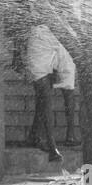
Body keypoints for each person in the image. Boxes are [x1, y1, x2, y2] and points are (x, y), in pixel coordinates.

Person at [24, 20, 78, 161]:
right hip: (40, 35)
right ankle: (51, 145)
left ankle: (69, 135)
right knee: (44, 93)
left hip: (64, 33)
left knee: (68, 87)